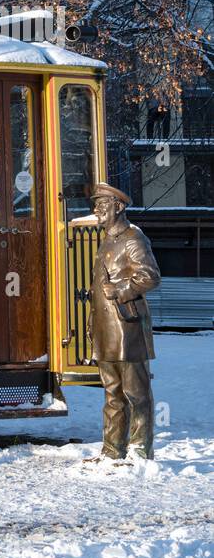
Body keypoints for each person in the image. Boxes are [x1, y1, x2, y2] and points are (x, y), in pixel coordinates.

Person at [85, 183, 161, 463]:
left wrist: (120, 289)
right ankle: (112, 450)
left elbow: (151, 276)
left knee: (136, 393)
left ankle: (140, 450)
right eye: (96, 205)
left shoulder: (133, 238)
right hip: (107, 330)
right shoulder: (107, 239)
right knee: (112, 394)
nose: (97, 211)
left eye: (102, 205)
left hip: (128, 329)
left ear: (118, 207)